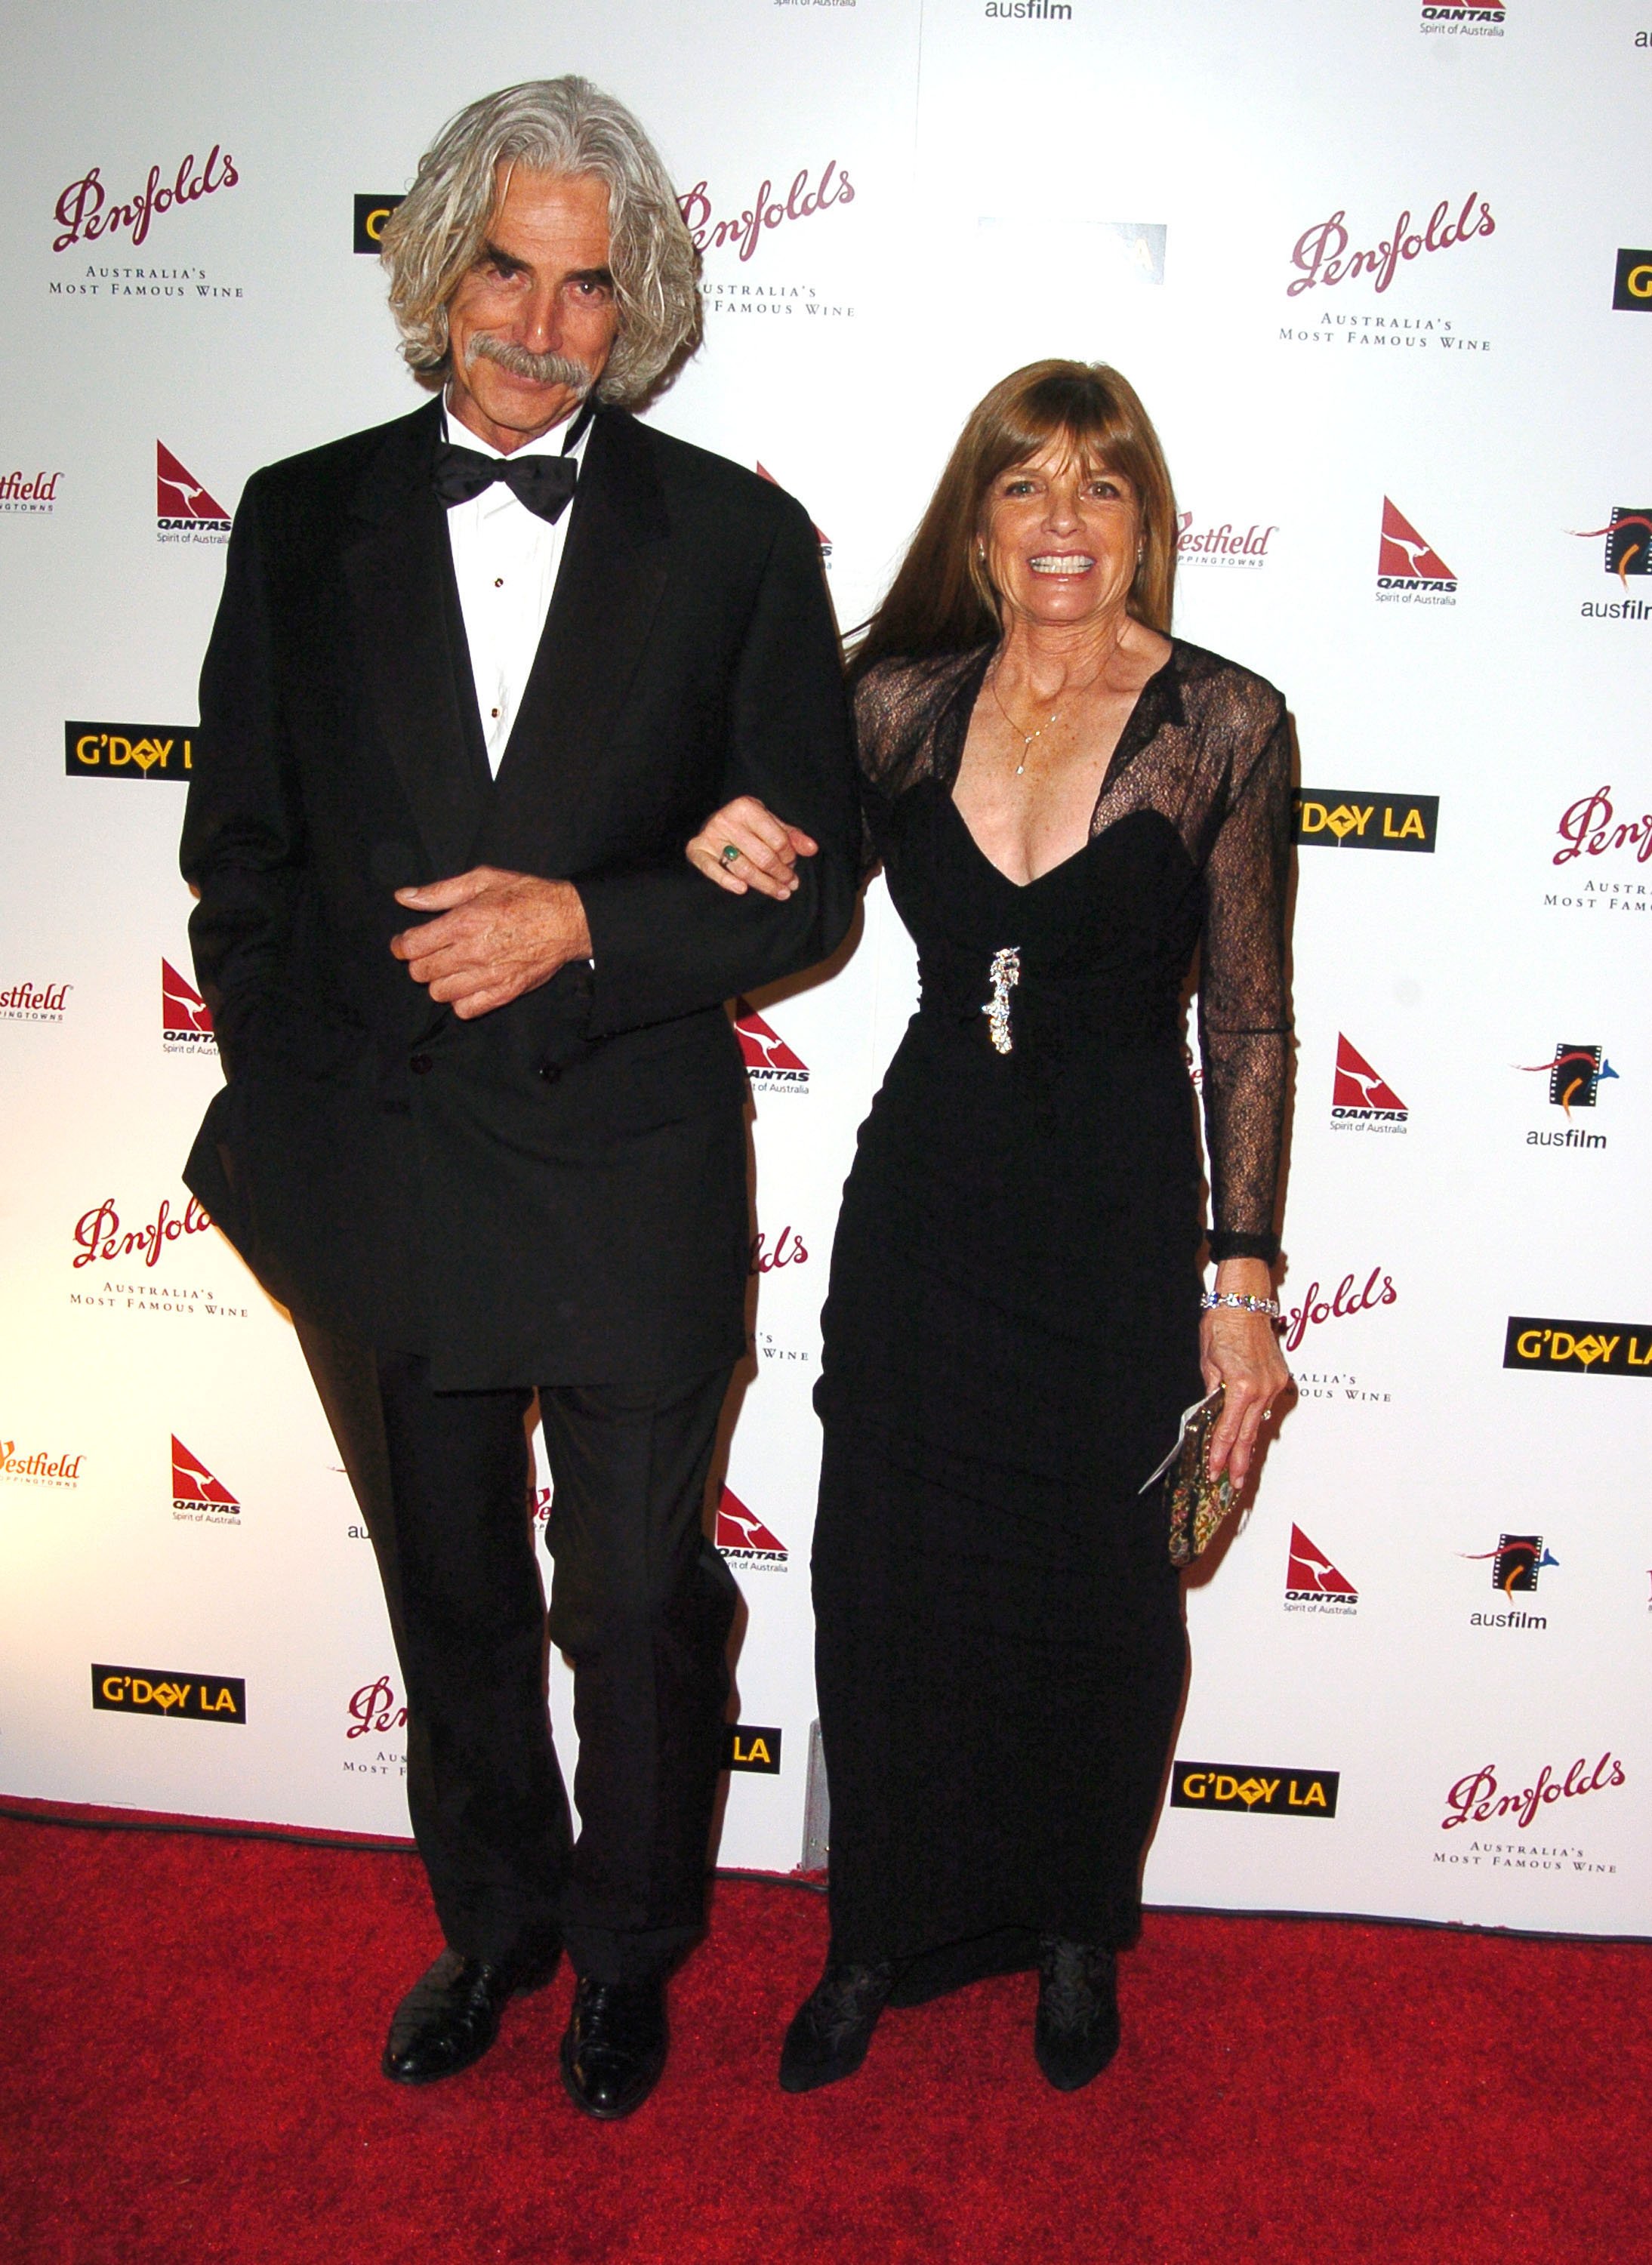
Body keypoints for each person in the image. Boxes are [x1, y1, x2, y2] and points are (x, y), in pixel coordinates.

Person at [180, 77, 859, 2119]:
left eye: (584, 287)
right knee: (451, 1588)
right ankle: (493, 1923)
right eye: (504, 267)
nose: (538, 323)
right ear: (438, 260)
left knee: (637, 1601)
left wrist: (587, 920)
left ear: (630, 305)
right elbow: (244, 858)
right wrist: (307, 1118)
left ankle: (633, 1956)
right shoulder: (304, 517)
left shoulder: (736, 541)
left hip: (628, 1161)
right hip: (380, 1171)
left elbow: (801, 866)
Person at [687, 360, 1293, 2092]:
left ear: (1144, 525)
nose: (1060, 524)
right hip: (928, 1191)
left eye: (1099, 489)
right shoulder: (893, 703)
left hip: (1112, 1207)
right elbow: (783, 893)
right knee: (887, 1569)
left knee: (1098, 1588)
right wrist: (707, 831)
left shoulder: (1223, 723)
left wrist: (1235, 1282)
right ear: (976, 519)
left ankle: (1070, 1929)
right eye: (1024, 486)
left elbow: (1243, 1019)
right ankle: (875, 1927)